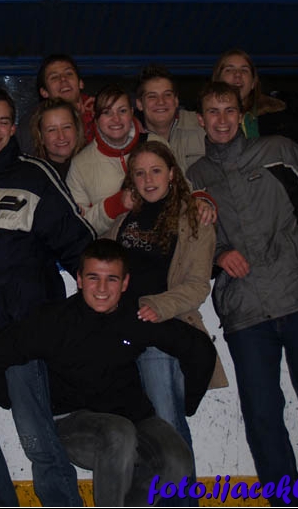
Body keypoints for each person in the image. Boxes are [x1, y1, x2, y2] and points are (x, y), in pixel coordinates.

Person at [186, 81, 298, 506]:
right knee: (263, 418)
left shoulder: (278, 150)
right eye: (213, 112)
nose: (222, 120)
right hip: (245, 311)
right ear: (201, 120)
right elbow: (192, 241)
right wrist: (220, 253)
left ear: (242, 114)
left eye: (229, 110)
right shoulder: (194, 177)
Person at [0, 239, 217, 506]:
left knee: (177, 460)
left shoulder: (137, 317)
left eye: (111, 279)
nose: (101, 288)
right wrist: (9, 400)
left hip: (136, 419)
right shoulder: (54, 321)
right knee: (118, 434)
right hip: (74, 423)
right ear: (79, 279)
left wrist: (189, 403)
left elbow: (199, 348)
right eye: (93, 277)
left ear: (125, 283)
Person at [0, 86, 95, 507]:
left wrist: (98, 303)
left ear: (13, 128)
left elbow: (79, 243)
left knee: (36, 437)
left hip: (26, 332)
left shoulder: (35, 175)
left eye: (3, 122)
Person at [104, 141, 227, 506]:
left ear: (172, 174)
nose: (148, 179)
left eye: (156, 170)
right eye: (140, 173)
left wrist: (156, 306)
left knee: (167, 430)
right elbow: (101, 263)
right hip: (124, 339)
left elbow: (197, 286)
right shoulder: (125, 221)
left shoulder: (194, 219)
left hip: (161, 337)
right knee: (140, 435)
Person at [212, 48, 298, 158]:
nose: (237, 74)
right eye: (229, 70)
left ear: (253, 83)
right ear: (217, 81)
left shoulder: (283, 119)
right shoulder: (205, 123)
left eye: (244, 70)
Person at [66, 84, 144, 235]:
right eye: (107, 112)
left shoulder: (155, 143)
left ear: (132, 113)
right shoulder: (80, 164)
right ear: (96, 119)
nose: (116, 119)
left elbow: (181, 191)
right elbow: (78, 228)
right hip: (109, 247)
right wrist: (114, 206)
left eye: (122, 111)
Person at [135, 65, 206, 172]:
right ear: (139, 104)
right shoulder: (131, 141)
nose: (161, 102)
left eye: (167, 95)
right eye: (152, 96)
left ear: (176, 100)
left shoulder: (203, 125)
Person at [36, 54, 96, 144]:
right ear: (44, 92)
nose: (63, 79)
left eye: (69, 73)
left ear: (81, 83)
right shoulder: (36, 123)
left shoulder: (101, 111)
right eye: (54, 77)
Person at [29, 97, 85, 180]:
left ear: (77, 129)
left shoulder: (94, 164)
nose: (61, 136)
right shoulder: (33, 175)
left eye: (66, 127)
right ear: (40, 137)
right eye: (52, 130)